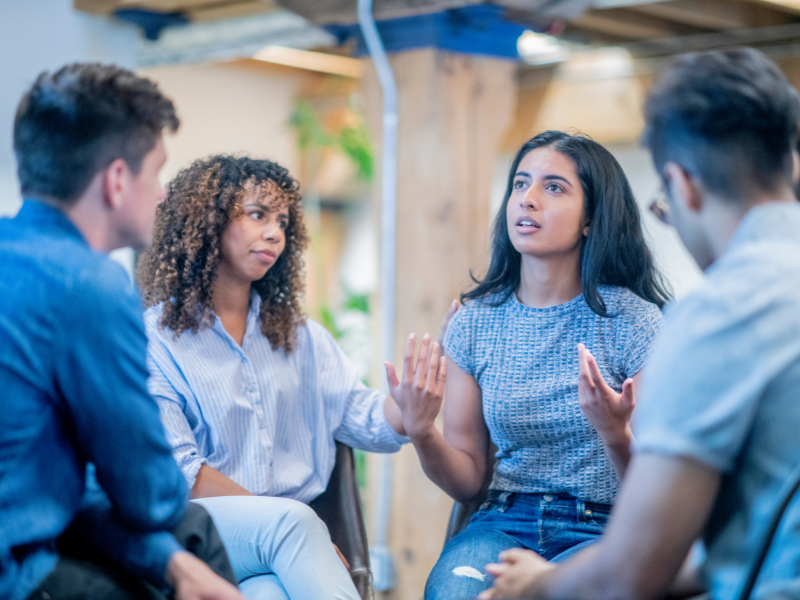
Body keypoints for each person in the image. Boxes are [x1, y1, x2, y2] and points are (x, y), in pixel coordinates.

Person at [480, 48, 800, 600]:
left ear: (683, 185)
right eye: (521, 184)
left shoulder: (719, 312)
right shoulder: (479, 319)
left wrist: (539, 587)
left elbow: (636, 569)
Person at [136, 155, 450, 600]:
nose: (274, 233)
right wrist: (296, 529)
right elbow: (182, 473)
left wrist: (411, 402)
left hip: (282, 545)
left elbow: (366, 419)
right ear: (206, 221)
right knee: (294, 525)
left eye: (283, 222)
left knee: (269, 593)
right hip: (198, 530)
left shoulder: (302, 337)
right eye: (258, 214)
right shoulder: (154, 340)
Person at [0, 64, 244, 600]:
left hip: (32, 523)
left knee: (182, 539)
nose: (162, 193)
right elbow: (148, 494)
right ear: (115, 180)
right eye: (156, 172)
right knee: (188, 533)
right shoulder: (88, 284)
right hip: (17, 568)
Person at [395, 130, 670, 600]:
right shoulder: (475, 322)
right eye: (520, 184)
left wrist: (615, 433)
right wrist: (422, 432)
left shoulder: (635, 320)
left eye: (554, 187)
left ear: (591, 219)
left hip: (602, 527)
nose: (528, 200)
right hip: (501, 523)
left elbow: (653, 493)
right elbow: (467, 481)